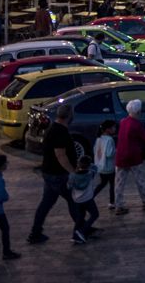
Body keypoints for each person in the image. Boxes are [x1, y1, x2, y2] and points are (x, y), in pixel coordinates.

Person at [28, 103, 88, 244]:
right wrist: (72, 172)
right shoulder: (60, 131)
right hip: (58, 175)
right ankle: (81, 230)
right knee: (73, 201)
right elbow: (61, 155)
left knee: (46, 203)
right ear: (69, 116)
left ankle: (35, 232)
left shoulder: (53, 128)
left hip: (49, 172)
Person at [114, 99, 145, 215]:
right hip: (133, 156)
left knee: (119, 183)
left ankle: (118, 205)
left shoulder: (123, 122)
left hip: (121, 156)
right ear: (138, 112)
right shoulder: (136, 124)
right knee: (140, 181)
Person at [67, 156, 100, 237]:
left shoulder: (72, 176)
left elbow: (68, 187)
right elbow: (95, 167)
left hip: (77, 199)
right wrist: (88, 165)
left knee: (81, 216)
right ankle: (82, 231)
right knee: (95, 214)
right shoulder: (90, 173)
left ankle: (75, 234)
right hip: (88, 199)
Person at [92, 120, 117, 212]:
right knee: (112, 185)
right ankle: (112, 202)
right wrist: (116, 150)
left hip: (101, 166)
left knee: (102, 183)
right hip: (109, 167)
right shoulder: (110, 140)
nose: (115, 129)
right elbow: (109, 154)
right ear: (108, 129)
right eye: (113, 127)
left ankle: (91, 196)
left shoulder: (99, 138)